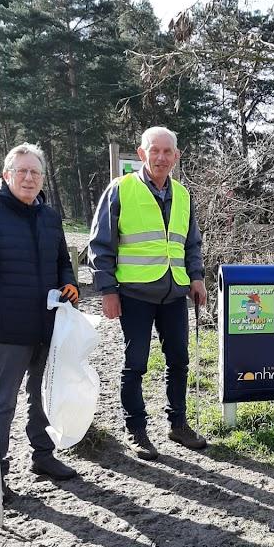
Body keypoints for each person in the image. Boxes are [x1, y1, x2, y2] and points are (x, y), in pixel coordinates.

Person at [0, 143, 79, 505]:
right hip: (6, 327)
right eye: (22, 171)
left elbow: (63, 259)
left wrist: (70, 282)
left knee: (42, 395)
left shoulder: (49, 216)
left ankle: (43, 456)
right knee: (3, 401)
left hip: (48, 325)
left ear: (43, 178)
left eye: (36, 172)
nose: (29, 178)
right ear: (6, 175)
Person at [88, 126, 207, 459]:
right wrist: (107, 290)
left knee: (179, 361)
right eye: (155, 150)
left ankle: (178, 425)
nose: (161, 157)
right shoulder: (120, 189)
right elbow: (100, 245)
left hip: (174, 294)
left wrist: (196, 278)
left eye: (168, 151)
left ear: (176, 156)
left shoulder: (183, 195)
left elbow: (191, 243)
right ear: (142, 154)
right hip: (134, 295)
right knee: (135, 364)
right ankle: (137, 431)